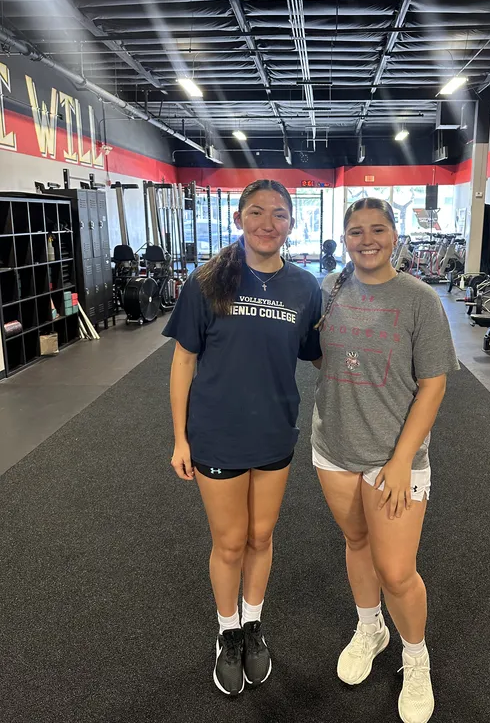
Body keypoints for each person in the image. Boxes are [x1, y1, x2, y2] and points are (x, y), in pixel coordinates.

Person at [164, 179, 322, 697]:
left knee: (261, 537)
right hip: (217, 434)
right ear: (239, 219)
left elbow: (317, 353)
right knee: (230, 542)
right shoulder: (208, 281)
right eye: (256, 212)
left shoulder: (304, 287)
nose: (267, 223)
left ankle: (253, 623)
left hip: (276, 431)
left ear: (291, 224)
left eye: (279, 214)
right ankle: (227, 632)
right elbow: (183, 360)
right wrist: (180, 439)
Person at [312, 198, 459, 723]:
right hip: (333, 448)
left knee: (397, 570)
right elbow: (316, 354)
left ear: (394, 234)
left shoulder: (419, 299)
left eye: (377, 229)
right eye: (356, 231)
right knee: (356, 542)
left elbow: (434, 385)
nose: (366, 239)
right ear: (344, 237)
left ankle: (415, 657)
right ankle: (370, 627)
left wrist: (400, 461)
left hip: (394, 459)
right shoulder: (328, 289)